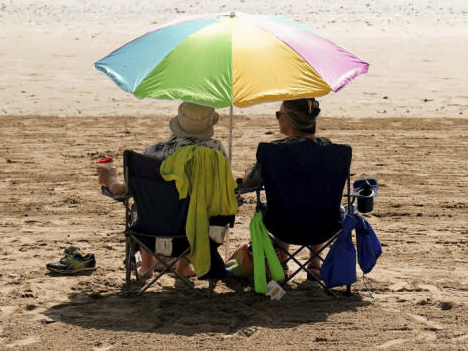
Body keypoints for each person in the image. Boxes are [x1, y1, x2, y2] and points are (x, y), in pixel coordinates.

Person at [96, 101, 225, 279]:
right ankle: (184, 265)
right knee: (199, 207)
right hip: (194, 232)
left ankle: (147, 267)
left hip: (151, 230)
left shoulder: (152, 152)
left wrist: (110, 180)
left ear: (179, 123)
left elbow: (126, 191)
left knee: (146, 204)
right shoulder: (216, 152)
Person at [242, 97, 330, 278]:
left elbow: (250, 182)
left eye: (278, 114)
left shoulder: (274, 151)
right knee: (316, 203)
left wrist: (249, 171)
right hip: (325, 223)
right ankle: (315, 264)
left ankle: (281, 263)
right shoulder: (330, 149)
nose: (277, 119)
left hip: (282, 223)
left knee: (283, 204)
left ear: (289, 119)